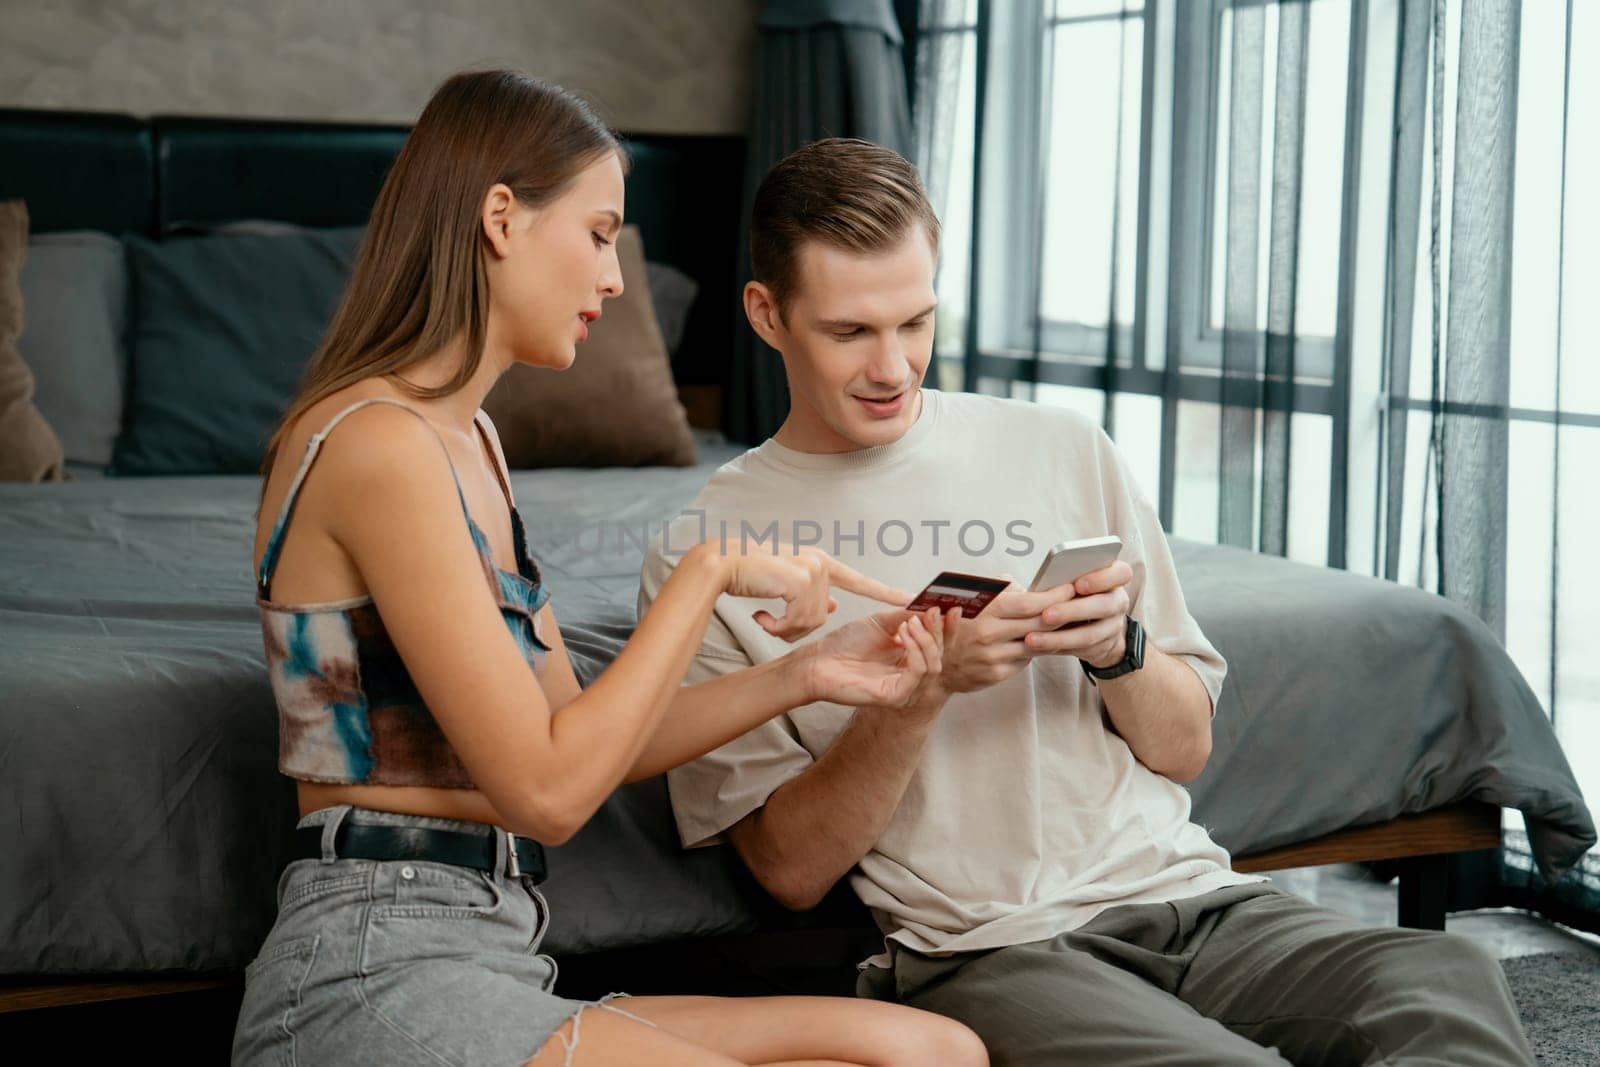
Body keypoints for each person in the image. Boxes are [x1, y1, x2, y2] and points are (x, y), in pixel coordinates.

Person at [639, 137, 1537, 1066]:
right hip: (991, 946)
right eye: (851, 333)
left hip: (1191, 897)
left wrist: (1119, 650)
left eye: (916, 321)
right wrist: (922, 693)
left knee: (1447, 982)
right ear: (766, 314)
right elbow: (788, 869)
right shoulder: (710, 551)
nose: (895, 367)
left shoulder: (1062, 446)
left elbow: (1183, 747)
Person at [233, 71, 990, 1067]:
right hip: (373, 962)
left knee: (932, 1050)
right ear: (501, 217)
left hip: (498, 947)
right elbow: (548, 794)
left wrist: (807, 673)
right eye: (598, 232)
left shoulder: (473, 445)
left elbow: (574, 735)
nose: (616, 276)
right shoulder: (379, 444)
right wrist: (705, 576)